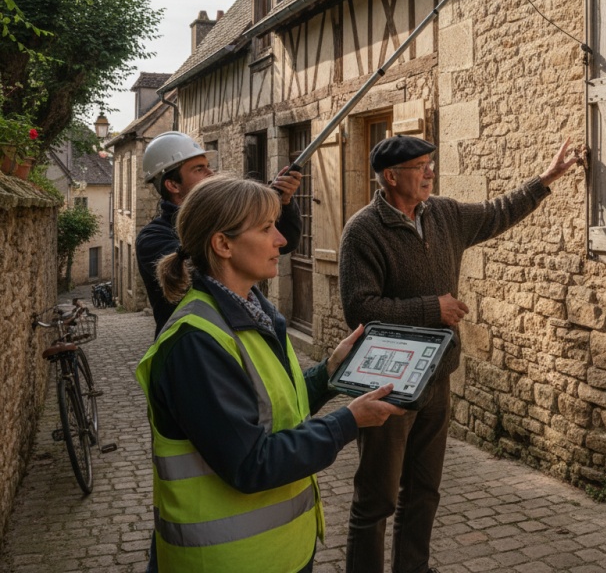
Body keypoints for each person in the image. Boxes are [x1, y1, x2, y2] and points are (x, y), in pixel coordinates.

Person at [338, 134, 583, 573]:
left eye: (431, 163)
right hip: (388, 385)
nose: (430, 171)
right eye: (419, 166)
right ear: (391, 177)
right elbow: (360, 308)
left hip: (437, 378)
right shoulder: (362, 230)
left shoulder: (445, 214)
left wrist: (547, 178)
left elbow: (497, 212)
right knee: (376, 497)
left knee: (425, 490)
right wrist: (433, 308)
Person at [136, 174, 403, 573]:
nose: (281, 240)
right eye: (266, 229)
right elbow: (251, 462)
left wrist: (330, 371)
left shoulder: (251, 314)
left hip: (280, 552)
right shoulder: (195, 342)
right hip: (226, 561)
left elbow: (275, 409)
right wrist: (349, 421)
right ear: (223, 244)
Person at [136, 130, 303, 335]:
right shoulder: (153, 238)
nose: (210, 174)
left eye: (208, 166)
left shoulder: (219, 222)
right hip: (197, 341)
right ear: (172, 185)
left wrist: (280, 204)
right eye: (199, 169)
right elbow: (209, 273)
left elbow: (288, 241)